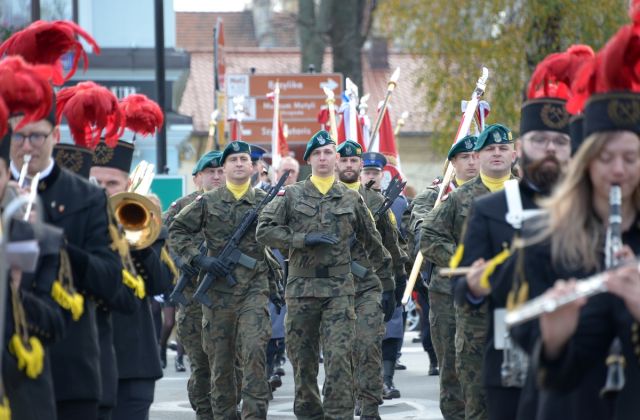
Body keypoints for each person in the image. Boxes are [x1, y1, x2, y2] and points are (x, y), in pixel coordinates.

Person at [256, 130, 393, 420]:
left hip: (340, 292)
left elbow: (373, 243)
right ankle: (309, 414)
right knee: (303, 363)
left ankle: (338, 415)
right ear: (308, 160)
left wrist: (389, 285)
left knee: (339, 359)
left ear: (336, 158)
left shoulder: (351, 198)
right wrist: (301, 239)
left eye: (328, 153)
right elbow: (264, 230)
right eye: (316, 154)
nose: (322, 158)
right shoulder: (291, 196)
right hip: (302, 290)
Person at [457, 93, 573, 420]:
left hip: (580, 355)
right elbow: (463, 291)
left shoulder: (591, 207)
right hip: (511, 357)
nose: (549, 149)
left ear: (572, 147)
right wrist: (475, 288)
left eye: (559, 141)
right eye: (539, 140)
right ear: (521, 149)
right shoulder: (490, 208)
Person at [170, 140, 274, 419]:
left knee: (253, 355)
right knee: (220, 366)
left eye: (244, 159)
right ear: (225, 167)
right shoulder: (207, 202)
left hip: (253, 290)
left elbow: (280, 240)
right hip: (217, 296)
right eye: (233, 160)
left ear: (253, 167)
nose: (239, 164)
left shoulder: (267, 202)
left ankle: (254, 415)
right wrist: (199, 259)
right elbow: (177, 230)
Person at [421, 124, 517, 420]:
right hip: (471, 308)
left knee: (513, 386)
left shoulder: (527, 194)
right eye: (490, 149)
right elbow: (429, 238)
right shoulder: (462, 198)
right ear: (479, 155)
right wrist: (466, 262)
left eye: (503, 148)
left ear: (515, 154)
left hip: (515, 307)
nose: (497, 154)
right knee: (470, 385)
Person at [90, 93, 174, 420]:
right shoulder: (71, 223)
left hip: (133, 362)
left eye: (112, 183)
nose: (103, 189)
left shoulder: (145, 225)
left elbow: (163, 284)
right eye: (96, 182)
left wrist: (135, 240)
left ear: (127, 184)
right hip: (87, 360)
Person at [0, 130, 66, 420]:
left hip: (20, 396)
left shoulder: (39, 240)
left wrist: (14, 288)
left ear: (7, 179)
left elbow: (55, 325)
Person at [410, 135, 479, 407]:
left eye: (476, 156)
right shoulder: (435, 196)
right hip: (446, 289)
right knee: (450, 362)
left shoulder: (498, 191)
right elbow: (423, 232)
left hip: (488, 288)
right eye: (465, 157)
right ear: (452, 163)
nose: (472, 162)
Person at [336, 140, 402, 419]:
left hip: (368, 286)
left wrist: (394, 285)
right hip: (334, 287)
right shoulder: (325, 197)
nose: (350, 165)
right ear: (336, 163)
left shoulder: (376, 201)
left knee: (368, 346)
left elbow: (392, 246)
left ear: (361, 166)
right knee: (341, 349)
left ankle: (370, 406)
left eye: (355, 161)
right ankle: (347, 400)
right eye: (345, 160)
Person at [163, 150, 224, 420]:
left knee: (228, 365)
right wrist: (181, 258)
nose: (217, 176)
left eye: (220, 171)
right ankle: (204, 412)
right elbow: (164, 239)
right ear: (197, 177)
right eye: (210, 172)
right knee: (200, 366)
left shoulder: (236, 205)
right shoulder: (181, 207)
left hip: (227, 300)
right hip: (192, 300)